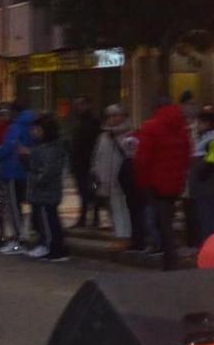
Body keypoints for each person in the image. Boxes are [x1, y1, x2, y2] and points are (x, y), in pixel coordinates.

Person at [131, 94, 190, 268]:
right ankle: (169, 257)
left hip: (155, 182)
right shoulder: (182, 128)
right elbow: (186, 156)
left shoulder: (151, 127)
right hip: (174, 182)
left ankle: (170, 259)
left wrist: (141, 181)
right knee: (166, 220)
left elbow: (143, 159)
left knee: (161, 222)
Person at [24, 116, 69, 262]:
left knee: (49, 221)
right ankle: (47, 246)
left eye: (37, 129)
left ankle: (55, 249)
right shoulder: (41, 147)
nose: (34, 132)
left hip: (46, 192)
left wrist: (37, 180)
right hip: (41, 191)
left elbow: (49, 170)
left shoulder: (52, 149)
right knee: (44, 221)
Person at [186, 105, 214, 248]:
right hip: (206, 187)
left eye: (198, 123)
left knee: (208, 218)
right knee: (207, 216)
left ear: (206, 124)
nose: (196, 126)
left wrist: (199, 175)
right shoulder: (209, 139)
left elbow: (212, 161)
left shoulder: (213, 140)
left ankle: (211, 247)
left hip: (208, 187)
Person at [0, 102, 34, 255]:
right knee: (20, 206)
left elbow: (8, 147)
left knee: (14, 207)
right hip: (22, 171)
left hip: (12, 170)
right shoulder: (28, 125)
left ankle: (18, 240)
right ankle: (22, 237)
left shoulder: (16, 127)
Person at [91, 104, 134, 240]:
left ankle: (125, 235)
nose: (112, 119)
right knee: (111, 208)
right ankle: (118, 234)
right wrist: (95, 172)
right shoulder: (103, 136)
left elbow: (131, 154)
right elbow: (97, 155)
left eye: (115, 115)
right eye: (109, 116)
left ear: (123, 116)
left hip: (122, 178)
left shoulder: (129, 134)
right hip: (104, 179)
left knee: (122, 207)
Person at [67, 98, 102, 230]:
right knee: (83, 191)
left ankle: (94, 218)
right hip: (79, 163)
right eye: (77, 105)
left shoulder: (93, 123)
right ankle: (85, 217)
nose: (78, 108)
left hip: (89, 162)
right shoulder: (79, 122)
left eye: (81, 105)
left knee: (92, 190)